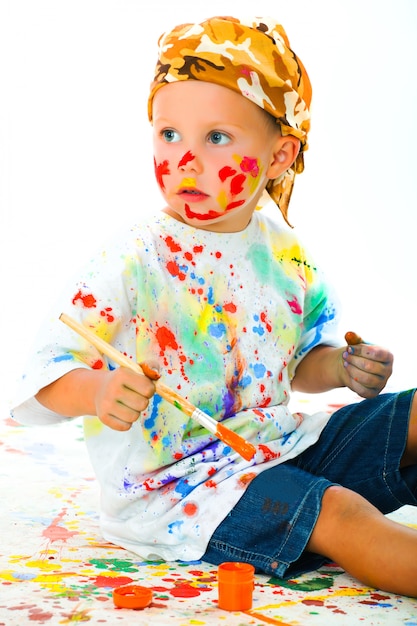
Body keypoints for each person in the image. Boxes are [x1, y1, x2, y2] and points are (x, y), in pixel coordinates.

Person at [11, 16, 417, 597]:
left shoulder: (286, 255)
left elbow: (298, 364)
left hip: (281, 445)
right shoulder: (133, 258)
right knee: (341, 514)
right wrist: (99, 392)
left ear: (279, 156)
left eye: (217, 137)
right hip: (182, 492)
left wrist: (342, 368)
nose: (185, 160)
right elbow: (45, 375)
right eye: (169, 134)